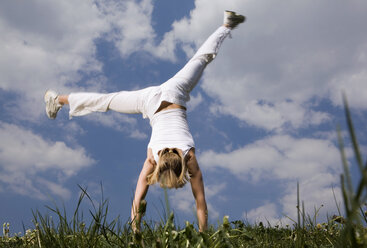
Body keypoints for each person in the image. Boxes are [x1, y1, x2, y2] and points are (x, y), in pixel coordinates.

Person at [44, 10, 245, 232]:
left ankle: (226, 25)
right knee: (107, 101)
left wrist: (200, 232)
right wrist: (135, 230)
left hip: (173, 92)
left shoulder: (189, 157)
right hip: (151, 101)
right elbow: (139, 198)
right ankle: (58, 100)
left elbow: (201, 204)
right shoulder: (154, 159)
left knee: (201, 58)